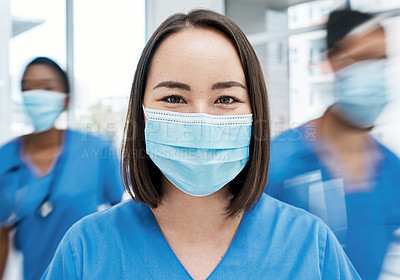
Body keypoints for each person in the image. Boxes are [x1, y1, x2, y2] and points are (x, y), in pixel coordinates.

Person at [42, 9, 360, 280]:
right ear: (142, 114)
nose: (200, 120)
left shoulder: (309, 246)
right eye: (174, 98)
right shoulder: (86, 250)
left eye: (225, 99)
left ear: (255, 113)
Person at [266, 9, 400, 280]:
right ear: (332, 61)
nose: (375, 73)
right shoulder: (279, 161)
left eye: (381, 61)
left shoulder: (391, 170)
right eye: (363, 59)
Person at [0, 57, 124, 280]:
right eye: (27, 88)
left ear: (65, 99)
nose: (36, 94)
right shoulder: (5, 157)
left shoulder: (96, 150)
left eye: (47, 87)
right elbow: (2, 233)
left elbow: (124, 218)